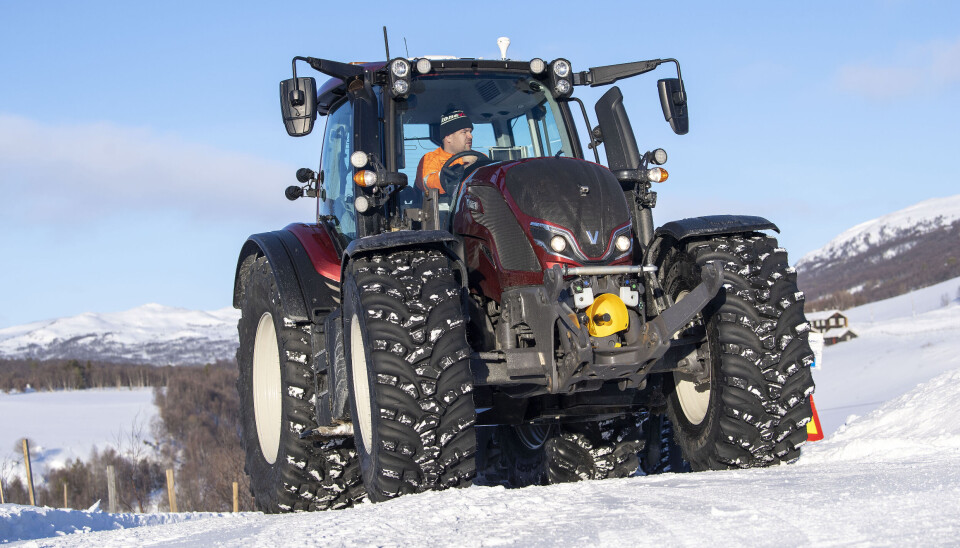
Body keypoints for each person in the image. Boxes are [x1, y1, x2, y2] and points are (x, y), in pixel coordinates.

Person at [415, 109, 475, 194]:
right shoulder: (430, 158)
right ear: (448, 137)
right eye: (464, 132)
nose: (470, 136)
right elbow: (426, 183)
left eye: (470, 131)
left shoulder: (480, 157)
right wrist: (459, 170)